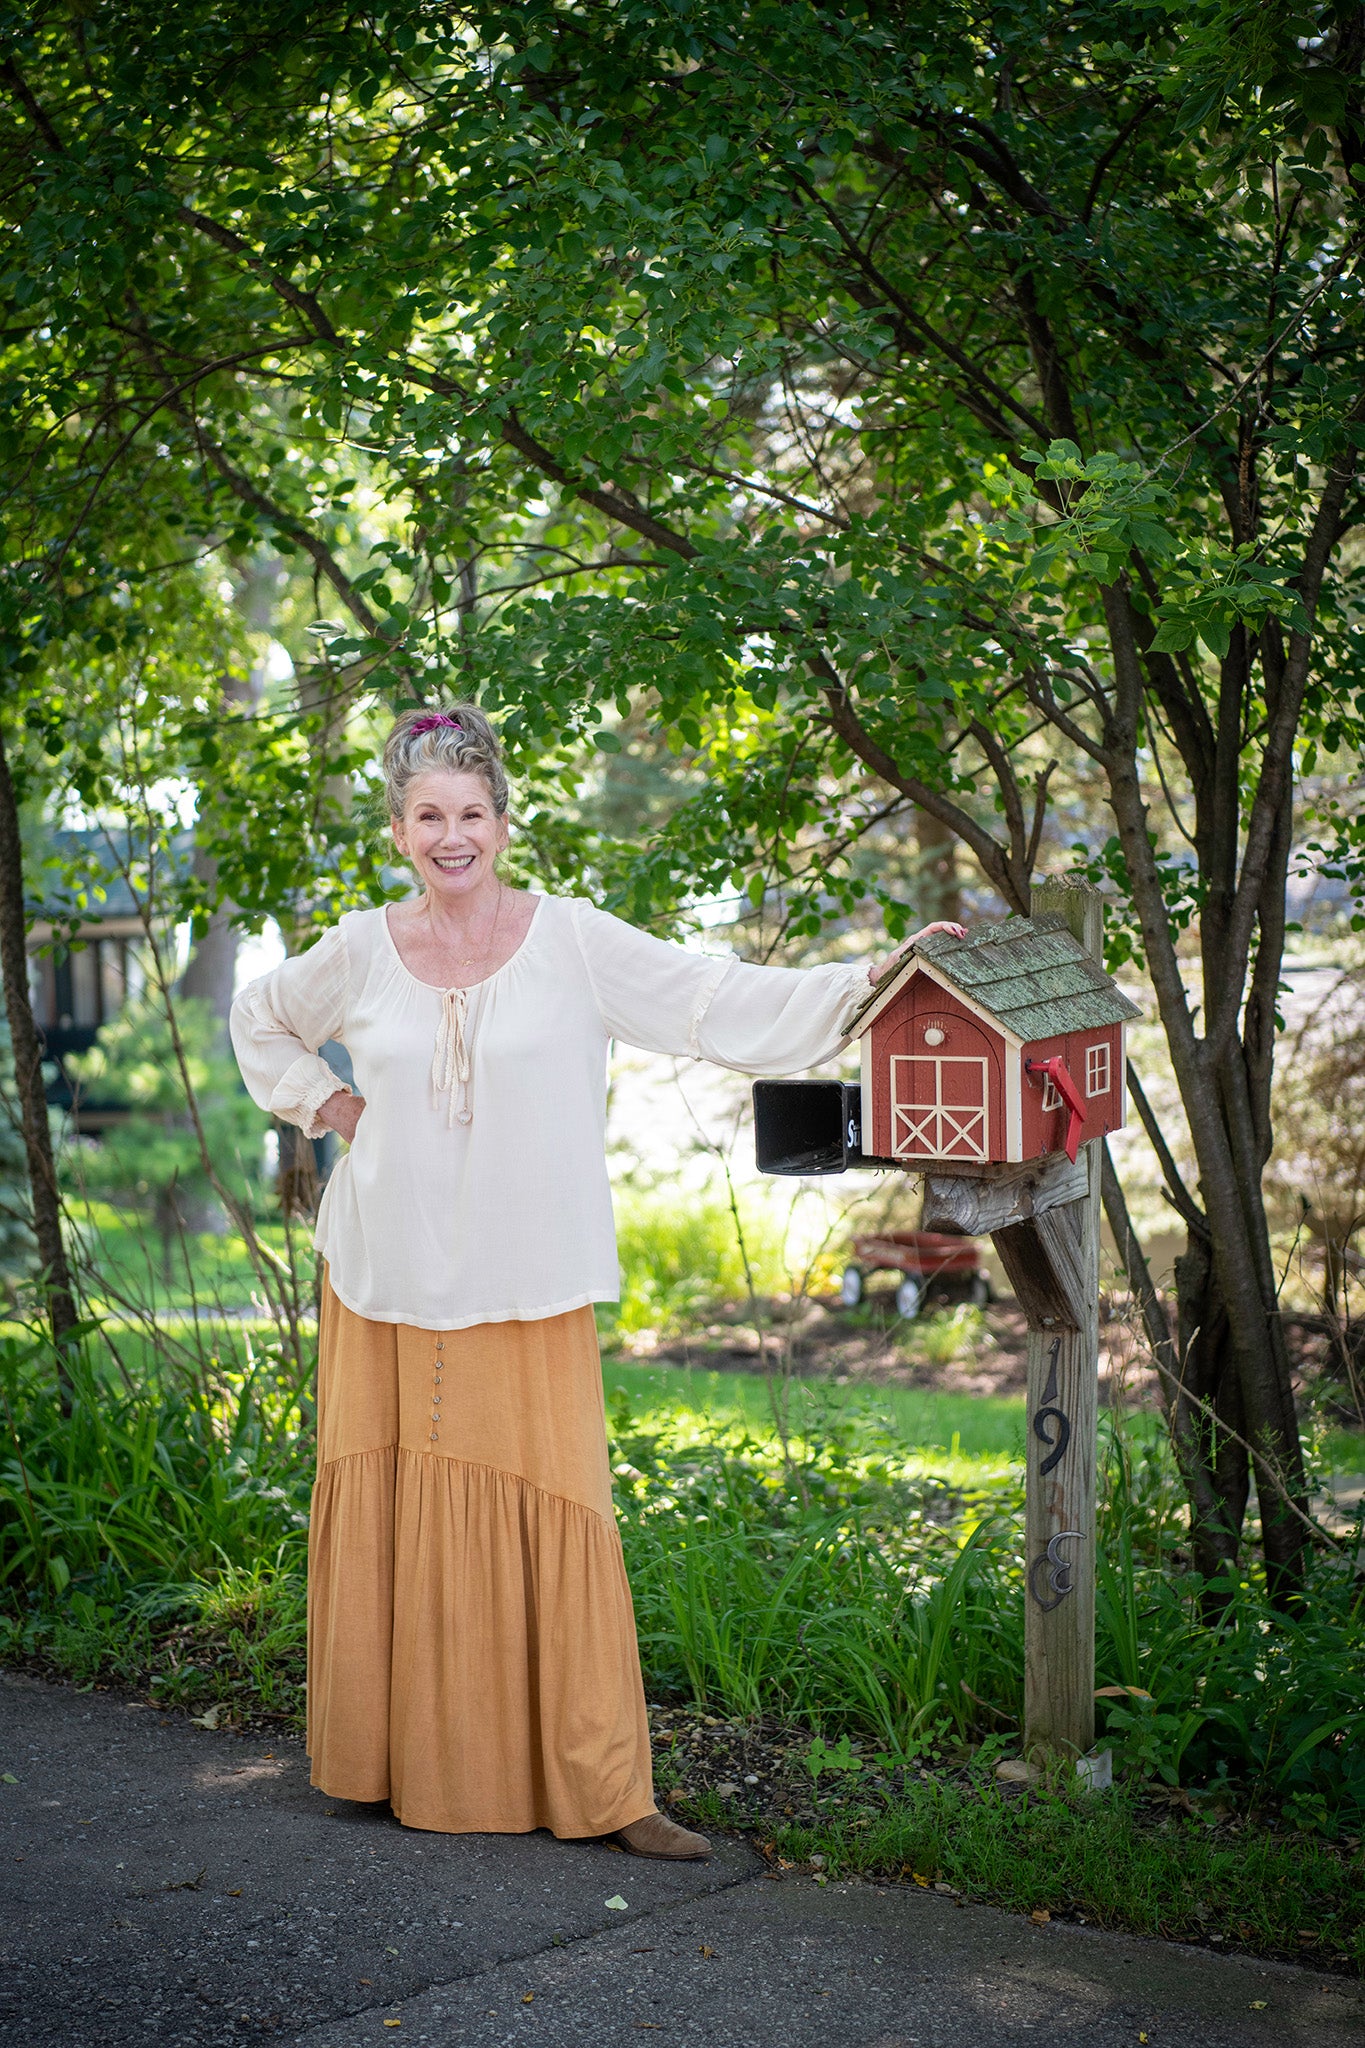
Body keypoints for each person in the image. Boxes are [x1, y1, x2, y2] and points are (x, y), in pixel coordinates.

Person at [230, 704, 963, 1859]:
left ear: (504, 822)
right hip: (380, 1275)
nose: (451, 834)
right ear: (398, 828)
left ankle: (604, 1789)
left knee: (557, 1507)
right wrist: (325, 1103)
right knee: (397, 1501)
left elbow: (712, 1000)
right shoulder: (363, 947)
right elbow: (258, 1013)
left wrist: (872, 979)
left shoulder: (570, 938)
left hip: (526, 1278)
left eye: (472, 812)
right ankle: (379, 1758)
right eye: (428, 815)